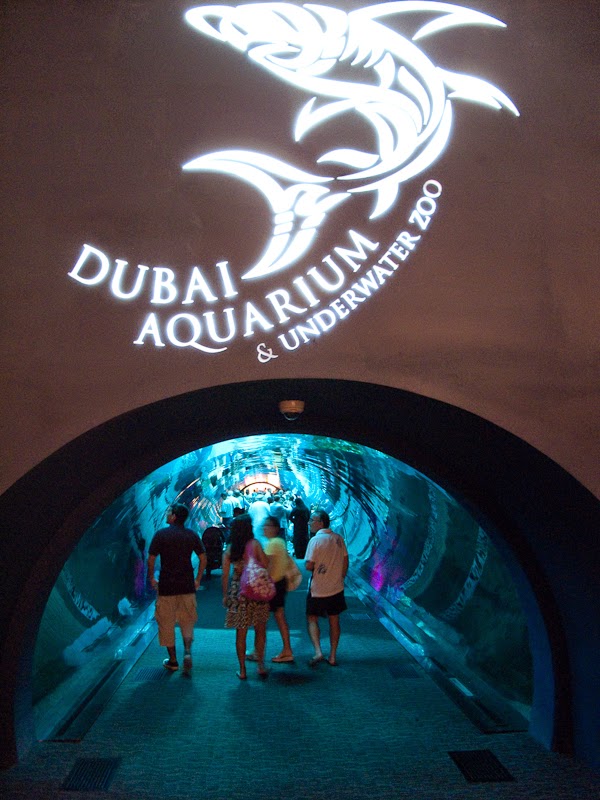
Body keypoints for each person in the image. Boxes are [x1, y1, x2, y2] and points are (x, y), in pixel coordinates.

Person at [147, 504, 206, 674]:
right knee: (187, 621)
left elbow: (151, 559)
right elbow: (203, 558)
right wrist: (198, 579)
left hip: (167, 586)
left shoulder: (161, 535)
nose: (166, 514)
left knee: (166, 624)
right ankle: (187, 652)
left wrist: (151, 577)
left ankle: (173, 661)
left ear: (173, 516)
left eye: (168, 512)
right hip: (186, 585)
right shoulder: (191, 535)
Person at [222, 513, 270, 679]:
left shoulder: (230, 549)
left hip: (238, 592)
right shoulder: (255, 544)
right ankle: (261, 666)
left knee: (241, 632)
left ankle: (242, 670)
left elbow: (225, 575)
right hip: (256, 590)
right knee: (260, 629)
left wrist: (225, 595)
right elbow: (266, 564)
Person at [305, 509, 348, 667]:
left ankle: (318, 651)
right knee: (334, 620)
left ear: (321, 523)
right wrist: (340, 578)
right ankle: (333, 656)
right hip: (336, 587)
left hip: (318, 588)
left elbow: (309, 565)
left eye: (312, 520)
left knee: (312, 618)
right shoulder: (338, 538)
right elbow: (345, 561)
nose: (309, 523)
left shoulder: (315, 541)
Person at [251, 515, 294, 663]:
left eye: (267, 525)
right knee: (279, 617)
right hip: (280, 583)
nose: (264, 528)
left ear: (275, 528)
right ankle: (287, 649)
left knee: (260, 619)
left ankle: (258, 651)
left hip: (272, 585)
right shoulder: (280, 542)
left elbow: (266, 565)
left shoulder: (272, 544)